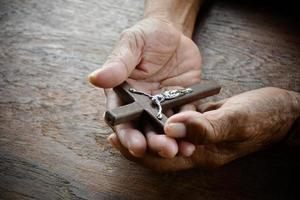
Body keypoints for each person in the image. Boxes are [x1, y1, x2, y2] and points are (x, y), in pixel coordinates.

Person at [88, 0, 300, 171]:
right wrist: (167, 21)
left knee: (181, 100)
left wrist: (292, 115)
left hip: (162, 100)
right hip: (156, 100)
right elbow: (152, 102)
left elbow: (160, 105)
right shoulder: (145, 100)